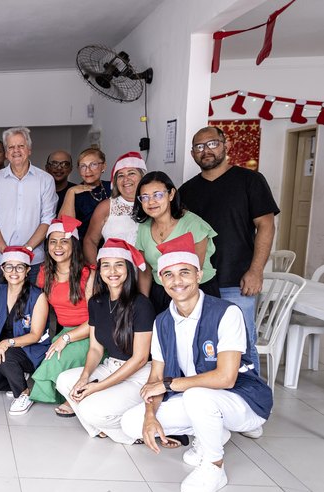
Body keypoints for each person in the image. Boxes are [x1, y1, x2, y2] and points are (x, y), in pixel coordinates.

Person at [120, 233, 273, 492]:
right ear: (161, 280)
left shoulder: (226, 312)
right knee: (131, 423)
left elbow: (226, 378)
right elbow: (156, 375)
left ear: (199, 274)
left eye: (184, 273)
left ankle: (214, 465)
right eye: (168, 274)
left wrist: (170, 384)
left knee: (197, 396)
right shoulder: (162, 322)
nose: (177, 281)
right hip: (196, 399)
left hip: (243, 400)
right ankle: (212, 431)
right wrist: (149, 415)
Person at [179, 126, 279, 373]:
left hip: (237, 280)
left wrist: (256, 271)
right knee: (204, 343)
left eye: (212, 144)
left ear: (226, 145)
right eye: (199, 147)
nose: (206, 151)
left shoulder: (250, 181)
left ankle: (251, 398)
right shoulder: (186, 191)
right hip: (198, 282)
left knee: (243, 344)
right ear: (193, 154)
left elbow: (266, 226)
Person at [55, 239, 154, 443]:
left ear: (128, 269)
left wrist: (97, 387)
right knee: (65, 381)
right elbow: (95, 349)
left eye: (119, 264)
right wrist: (85, 377)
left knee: (90, 408)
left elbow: (140, 358)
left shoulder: (141, 304)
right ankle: (103, 428)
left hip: (139, 375)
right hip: (110, 366)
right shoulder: (97, 302)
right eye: (106, 265)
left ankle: (129, 433)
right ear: (99, 271)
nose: (112, 271)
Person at [0, 246, 50, 415]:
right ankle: (16, 376)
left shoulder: (38, 296)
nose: (14, 272)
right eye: (9, 266)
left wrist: (7, 343)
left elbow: (35, 335)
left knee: (6, 354)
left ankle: (23, 393)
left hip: (30, 350)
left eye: (19, 267)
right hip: (4, 349)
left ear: (27, 270)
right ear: (2, 268)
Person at [30, 216, 95, 414]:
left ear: (73, 245)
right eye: (53, 241)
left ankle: (74, 396)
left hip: (89, 333)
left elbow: (96, 320)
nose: (58, 246)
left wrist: (67, 338)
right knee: (46, 358)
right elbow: (33, 303)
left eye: (64, 241)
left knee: (54, 361)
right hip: (62, 331)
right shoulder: (44, 273)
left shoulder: (89, 275)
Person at [133, 171, 219, 313]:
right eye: (145, 197)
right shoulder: (144, 227)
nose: (151, 202)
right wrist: (144, 302)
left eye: (158, 195)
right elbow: (145, 270)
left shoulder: (193, 224)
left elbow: (193, 270)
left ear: (171, 194)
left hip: (195, 291)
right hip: (160, 291)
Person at [0, 126, 56, 285]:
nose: (16, 150)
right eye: (11, 147)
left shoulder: (45, 180)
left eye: (21, 146)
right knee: (1, 307)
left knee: (35, 307)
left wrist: (27, 249)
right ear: (6, 153)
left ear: (29, 149)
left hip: (34, 260)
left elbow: (48, 219)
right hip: (0, 259)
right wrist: (4, 249)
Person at [81, 152, 147, 264]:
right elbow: (90, 241)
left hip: (148, 275)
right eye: (120, 175)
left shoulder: (152, 204)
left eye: (131, 173)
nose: (126, 179)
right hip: (113, 275)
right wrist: (97, 272)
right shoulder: (106, 206)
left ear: (142, 177)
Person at [59, 148, 110, 240]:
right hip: (81, 247)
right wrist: (70, 192)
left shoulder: (112, 187)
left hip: (112, 245)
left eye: (93, 164)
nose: (88, 170)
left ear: (104, 166)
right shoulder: (74, 193)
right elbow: (65, 228)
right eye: (83, 166)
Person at [45, 150, 76, 215]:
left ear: (71, 169)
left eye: (65, 164)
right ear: (47, 168)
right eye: (54, 164)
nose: (59, 168)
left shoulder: (77, 193)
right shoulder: (38, 191)